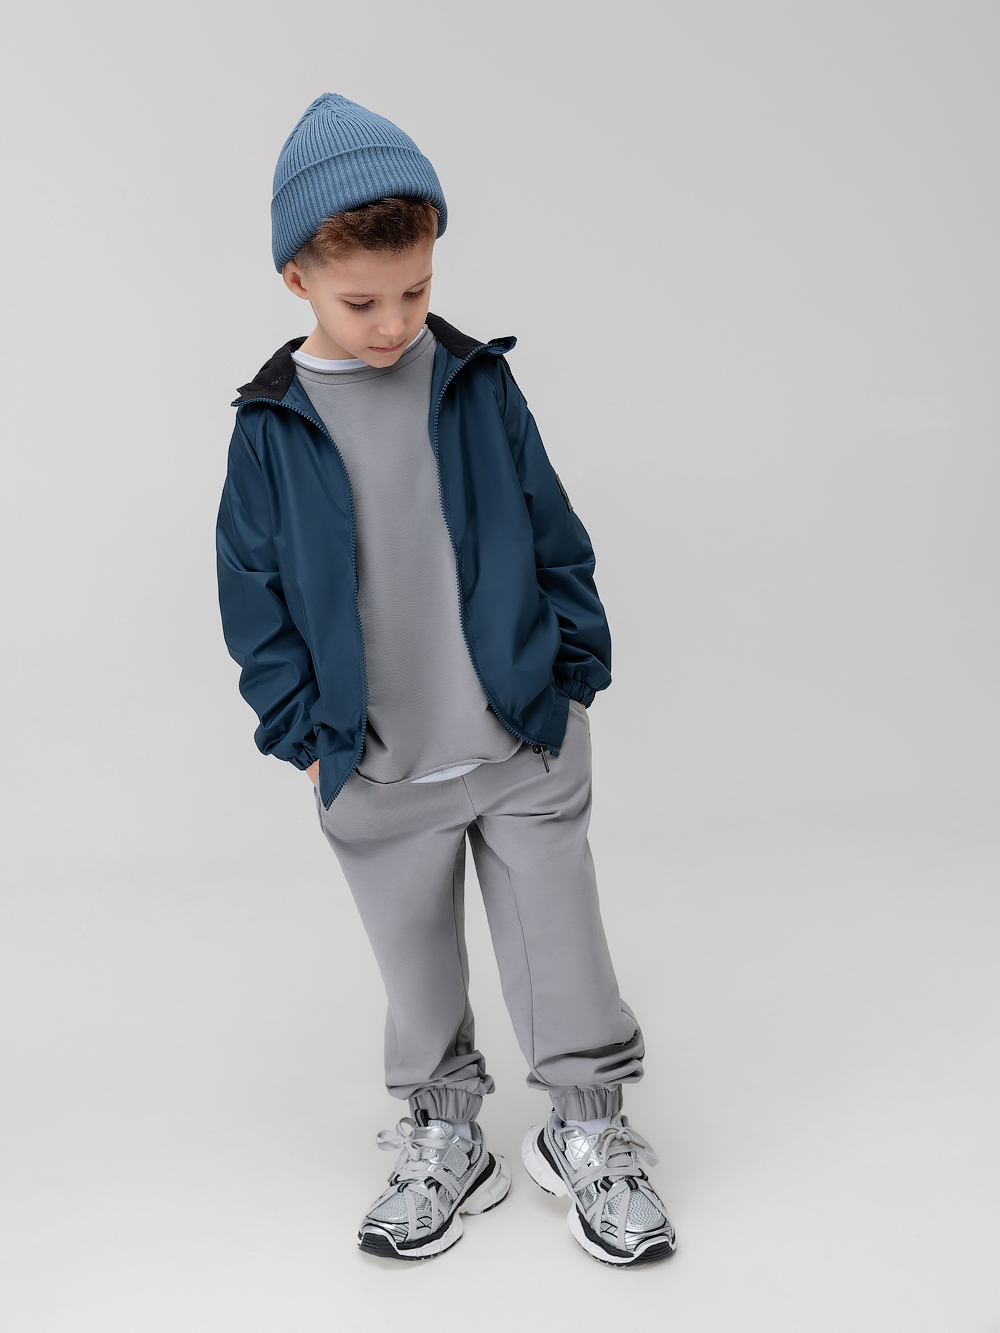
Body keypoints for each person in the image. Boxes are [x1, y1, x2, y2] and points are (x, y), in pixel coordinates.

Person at [216, 92, 676, 1267]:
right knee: (415, 967)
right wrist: (304, 734)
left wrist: (571, 674)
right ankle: (443, 1137)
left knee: (562, 947)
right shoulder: (269, 427)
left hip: (519, 734)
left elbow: (551, 525)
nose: (392, 323)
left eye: (414, 292)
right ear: (297, 279)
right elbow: (251, 593)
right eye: (361, 301)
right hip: (373, 759)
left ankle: (588, 1131)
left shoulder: (474, 381)